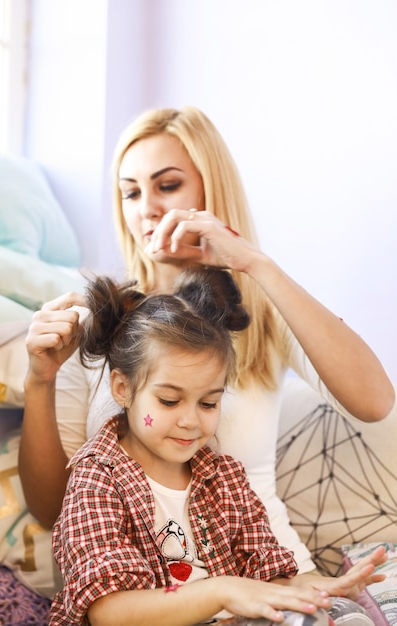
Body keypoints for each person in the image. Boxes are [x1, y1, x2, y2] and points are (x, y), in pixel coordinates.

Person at [20, 106, 394, 571]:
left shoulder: (262, 309)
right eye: (130, 193)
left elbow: (375, 401)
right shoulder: (100, 318)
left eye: (167, 185)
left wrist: (255, 264)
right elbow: (55, 509)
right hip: (143, 596)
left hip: (273, 579)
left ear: (210, 191)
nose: (147, 208)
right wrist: (40, 380)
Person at [49, 268, 386, 626]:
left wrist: (320, 589)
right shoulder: (97, 479)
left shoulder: (224, 478)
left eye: (208, 404)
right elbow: (108, 611)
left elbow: (271, 578)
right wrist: (221, 590)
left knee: (337, 615)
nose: (191, 421)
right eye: (169, 401)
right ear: (122, 389)